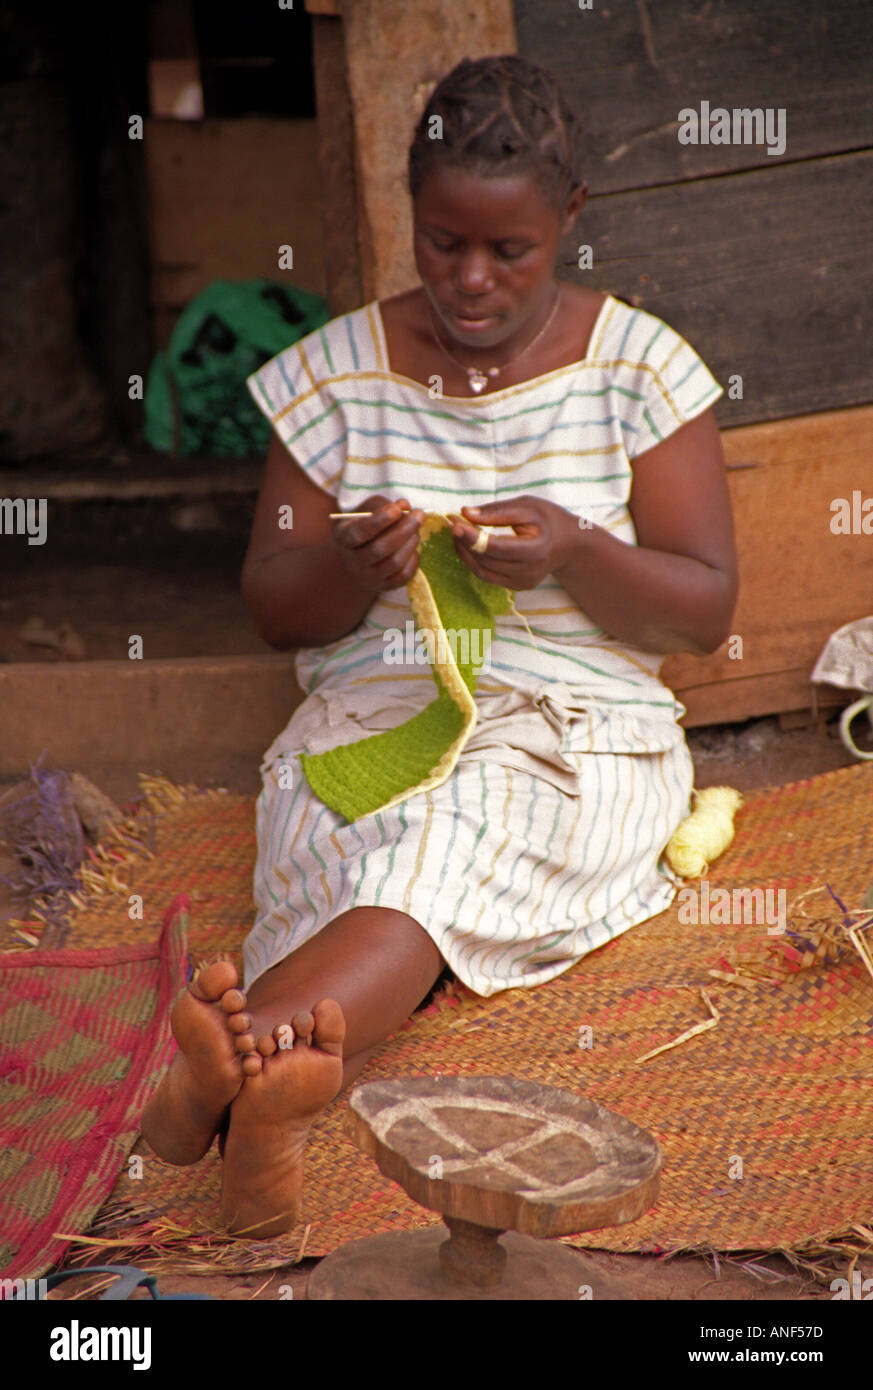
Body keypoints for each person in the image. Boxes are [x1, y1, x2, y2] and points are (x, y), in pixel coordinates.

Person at [142, 54, 738, 1238]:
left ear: (570, 218)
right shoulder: (333, 378)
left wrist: (577, 552)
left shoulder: (639, 373)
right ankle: (259, 1093)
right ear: (406, 216)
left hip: (578, 732)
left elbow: (704, 608)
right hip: (374, 711)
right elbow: (275, 601)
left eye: (506, 251)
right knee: (367, 834)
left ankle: (232, 1069)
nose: (470, 279)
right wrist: (352, 567)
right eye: (440, 243)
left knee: (442, 843)